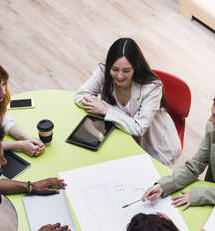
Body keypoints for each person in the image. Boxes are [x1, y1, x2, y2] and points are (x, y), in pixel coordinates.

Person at [75, 38, 181, 166]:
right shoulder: (105, 71)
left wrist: (106, 110)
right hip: (121, 136)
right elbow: (81, 95)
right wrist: (114, 112)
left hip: (155, 146)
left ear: (136, 68)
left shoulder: (152, 87)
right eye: (115, 69)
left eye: (126, 71)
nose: (119, 76)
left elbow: (139, 128)